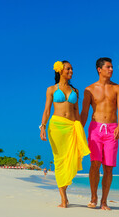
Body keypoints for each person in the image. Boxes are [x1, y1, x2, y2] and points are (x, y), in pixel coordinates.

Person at [40, 60, 90, 208]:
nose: (71, 72)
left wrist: (80, 128)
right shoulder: (51, 89)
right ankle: (63, 198)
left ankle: (64, 194)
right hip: (56, 127)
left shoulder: (75, 91)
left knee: (71, 159)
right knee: (60, 160)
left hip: (72, 127)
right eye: (68, 69)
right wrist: (42, 127)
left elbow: (76, 111)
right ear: (60, 70)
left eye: (72, 69)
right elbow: (47, 111)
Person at [81, 57, 119, 210]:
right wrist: (79, 129)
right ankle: (93, 197)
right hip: (95, 129)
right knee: (95, 164)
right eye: (108, 67)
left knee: (109, 167)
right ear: (99, 69)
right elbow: (85, 112)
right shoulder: (89, 89)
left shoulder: (118, 88)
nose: (111, 69)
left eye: (112, 67)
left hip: (112, 129)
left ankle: (104, 201)